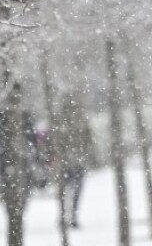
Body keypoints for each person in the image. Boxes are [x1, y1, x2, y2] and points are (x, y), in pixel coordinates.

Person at [51, 91, 97, 229]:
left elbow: (55, 140)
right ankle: (71, 216)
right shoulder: (78, 119)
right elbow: (88, 140)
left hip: (68, 161)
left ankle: (66, 216)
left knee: (66, 191)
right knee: (74, 190)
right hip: (74, 161)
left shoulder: (61, 119)